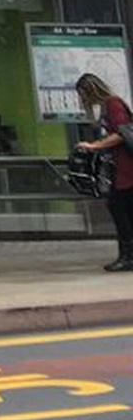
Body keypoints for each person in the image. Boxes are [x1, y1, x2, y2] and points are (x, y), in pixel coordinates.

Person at [73, 73, 133, 271]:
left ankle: (127, 256)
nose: (83, 100)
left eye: (83, 95)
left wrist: (94, 146)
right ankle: (127, 255)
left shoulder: (113, 105)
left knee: (120, 209)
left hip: (126, 169)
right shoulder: (107, 108)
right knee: (121, 210)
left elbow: (121, 133)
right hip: (118, 169)